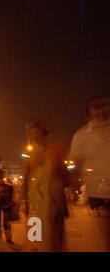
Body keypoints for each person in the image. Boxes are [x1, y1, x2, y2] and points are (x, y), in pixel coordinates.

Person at [69, 94, 110, 250]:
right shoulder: (81, 137)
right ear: (89, 113)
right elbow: (75, 166)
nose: (102, 111)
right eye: (96, 108)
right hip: (98, 196)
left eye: (105, 105)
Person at [23, 118, 70, 251]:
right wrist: (24, 201)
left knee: (54, 242)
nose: (33, 136)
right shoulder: (31, 157)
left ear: (44, 134)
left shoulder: (55, 153)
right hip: (35, 207)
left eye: (36, 133)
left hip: (53, 206)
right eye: (31, 134)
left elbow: (66, 178)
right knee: (35, 241)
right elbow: (26, 180)